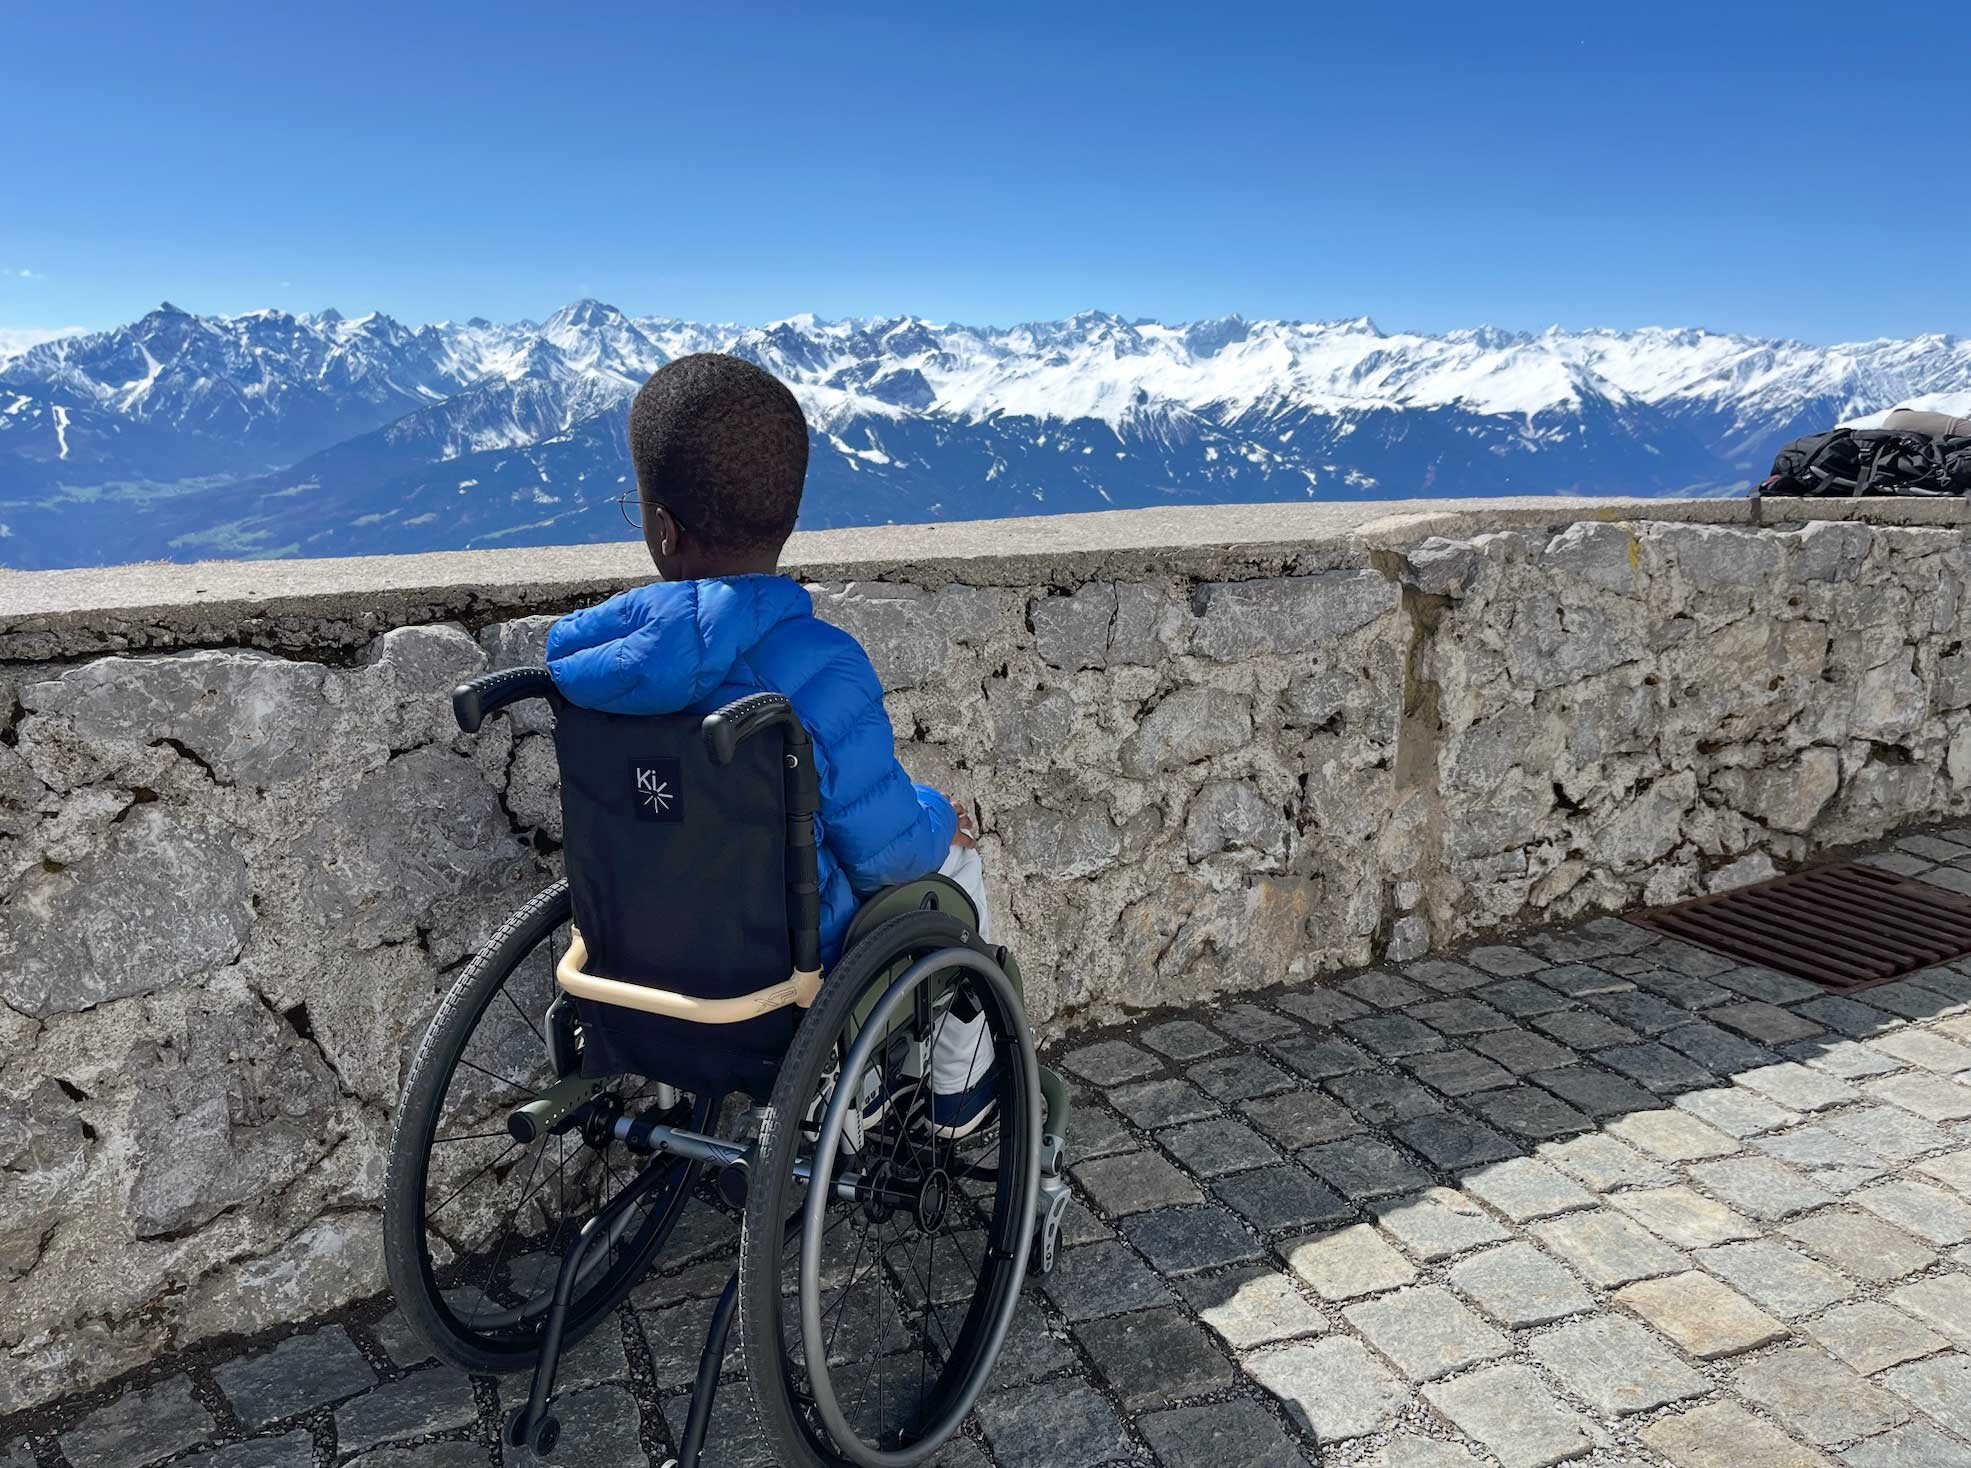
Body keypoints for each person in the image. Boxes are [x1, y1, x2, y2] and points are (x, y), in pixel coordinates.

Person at [545, 352, 998, 1136]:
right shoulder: (819, 667)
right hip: (787, 971)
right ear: (787, 522)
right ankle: (953, 1101)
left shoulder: (587, 674)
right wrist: (936, 814)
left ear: (659, 529)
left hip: (629, 948)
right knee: (959, 868)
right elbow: (886, 854)